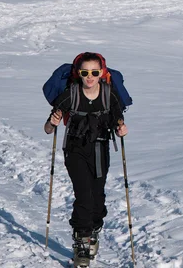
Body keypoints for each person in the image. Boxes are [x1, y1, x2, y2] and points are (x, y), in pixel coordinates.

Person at [45, 54, 128, 267]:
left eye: (94, 72)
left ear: (101, 73)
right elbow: (47, 129)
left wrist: (121, 128)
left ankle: (94, 230)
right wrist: (53, 123)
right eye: (84, 73)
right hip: (75, 150)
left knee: (97, 195)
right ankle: (82, 242)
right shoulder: (70, 94)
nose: (89, 77)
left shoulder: (109, 95)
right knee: (84, 195)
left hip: (100, 148)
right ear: (78, 74)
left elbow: (119, 118)